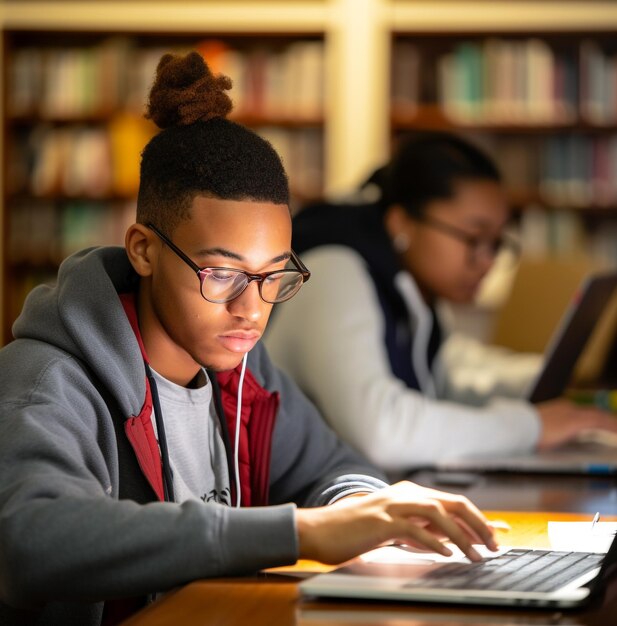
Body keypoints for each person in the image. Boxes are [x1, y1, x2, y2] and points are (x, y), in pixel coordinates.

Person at [0, 53, 502, 626]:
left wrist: (366, 510)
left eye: (272, 276)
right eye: (221, 273)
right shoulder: (45, 382)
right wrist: (302, 531)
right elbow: (31, 544)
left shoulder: (242, 367)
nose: (251, 309)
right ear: (143, 249)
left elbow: (330, 465)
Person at [265, 131, 617, 476]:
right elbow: (383, 430)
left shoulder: (411, 284)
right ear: (402, 223)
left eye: (496, 242)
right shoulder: (334, 271)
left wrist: (557, 379)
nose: (487, 260)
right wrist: (532, 427)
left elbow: (452, 373)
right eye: (473, 237)